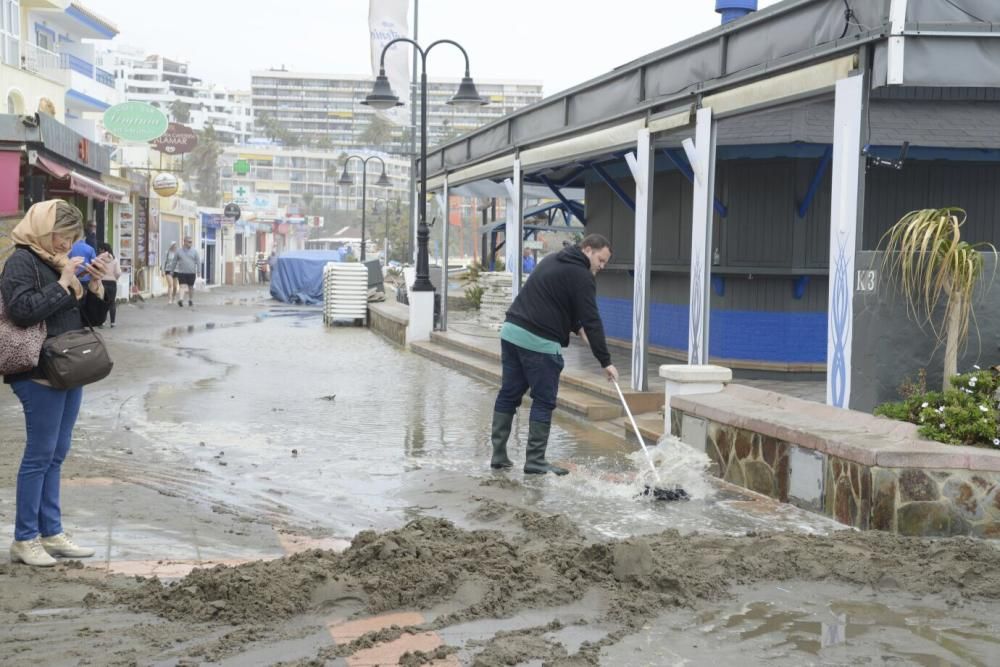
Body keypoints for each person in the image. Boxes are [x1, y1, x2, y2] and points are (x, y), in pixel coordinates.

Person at [0, 200, 109, 566]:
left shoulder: (58, 262)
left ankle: (52, 532)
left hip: (67, 367)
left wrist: (96, 286)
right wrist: (64, 284)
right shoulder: (21, 261)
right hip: (36, 370)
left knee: (57, 453)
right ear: (45, 229)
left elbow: (86, 319)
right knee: (39, 454)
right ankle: (25, 538)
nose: (67, 243)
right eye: (62, 235)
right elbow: (21, 311)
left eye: (72, 237)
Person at [489, 234, 618, 475]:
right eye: (601, 260)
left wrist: (576, 327)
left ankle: (499, 456)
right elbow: (592, 320)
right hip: (538, 341)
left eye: (605, 263)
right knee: (544, 400)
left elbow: (556, 303)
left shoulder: (552, 260)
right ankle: (535, 461)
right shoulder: (582, 276)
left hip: (511, 332)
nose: (601, 266)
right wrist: (606, 361)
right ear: (588, 250)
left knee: (509, 393)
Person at [97, 242, 122, 327]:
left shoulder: (99, 260)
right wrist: (114, 278)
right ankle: (113, 322)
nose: (99, 251)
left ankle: (102, 322)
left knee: (103, 302)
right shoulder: (115, 260)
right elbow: (118, 272)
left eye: (100, 249)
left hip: (102, 283)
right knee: (112, 303)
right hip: (112, 283)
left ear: (104, 250)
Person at [173, 236, 199, 307]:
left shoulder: (194, 251)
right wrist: (172, 270)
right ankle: (181, 300)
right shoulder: (179, 251)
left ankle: (190, 300)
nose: (191, 243)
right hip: (181, 272)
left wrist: (199, 271)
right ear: (184, 242)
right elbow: (174, 261)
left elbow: (198, 261)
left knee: (191, 287)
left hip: (191, 272)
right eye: (189, 242)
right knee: (182, 286)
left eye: (191, 242)